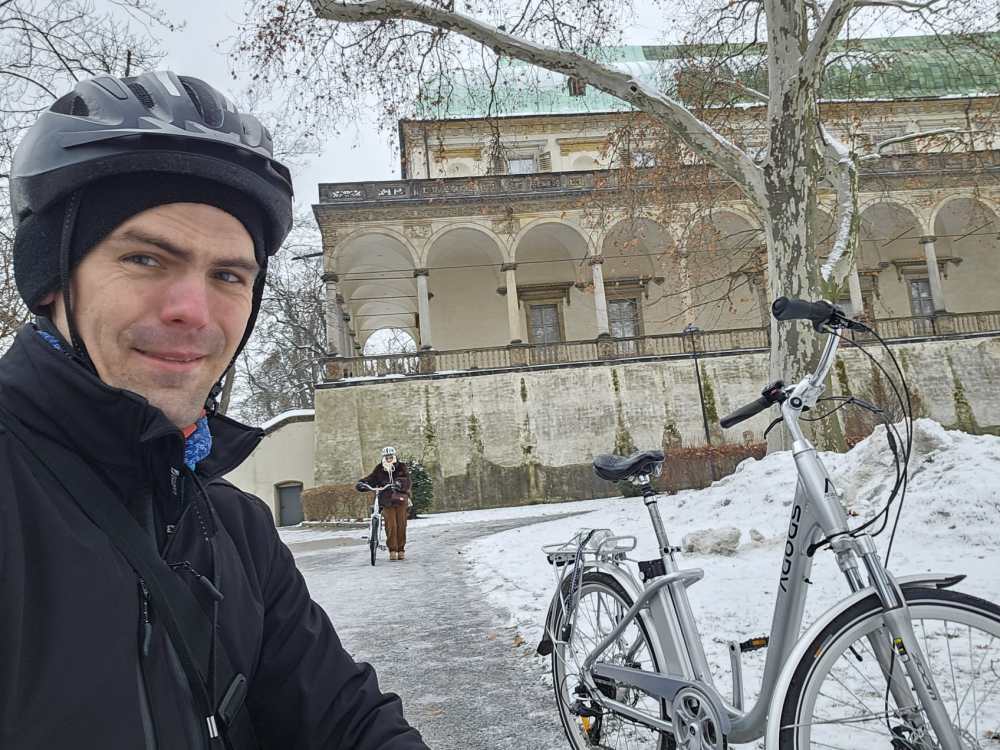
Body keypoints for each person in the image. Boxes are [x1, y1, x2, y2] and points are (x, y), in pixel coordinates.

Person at [0, 71, 429, 749]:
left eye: (229, 276)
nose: (194, 312)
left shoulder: (234, 528)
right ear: (51, 279)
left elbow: (348, 724)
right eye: (144, 258)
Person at [356, 447, 412, 561]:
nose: (389, 458)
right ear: (384, 457)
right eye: (387, 457)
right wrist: (362, 483)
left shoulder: (401, 467)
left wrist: (399, 483)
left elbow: (407, 480)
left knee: (401, 525)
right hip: (386, 500)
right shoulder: (379, 468)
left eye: (391, 456)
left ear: (394, 456)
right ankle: (392, 550)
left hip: (400, 499)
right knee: (390, 526)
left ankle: (401, 549)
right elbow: (372, 479)